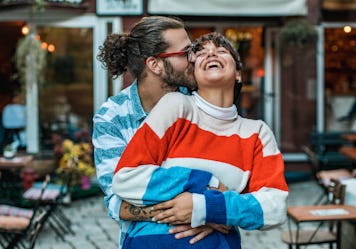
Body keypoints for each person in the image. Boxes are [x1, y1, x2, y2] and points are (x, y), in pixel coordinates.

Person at [112, 32, 289, 249]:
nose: (211, 54)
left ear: (239, 74)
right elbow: (126, 177)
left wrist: (205, 208)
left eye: (221, 51)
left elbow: (274, 207)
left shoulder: (257, 133)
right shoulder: (176, 107)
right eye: (202, 54)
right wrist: (208, 183)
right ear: (194, 74)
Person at [93, 16, 224, 249]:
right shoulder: (112, 116)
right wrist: (197, 210)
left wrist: (209, 210)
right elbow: (118, 203)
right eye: (185, 53)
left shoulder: (203, 102)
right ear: (154, 65)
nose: (194, 58)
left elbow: (230, 181)